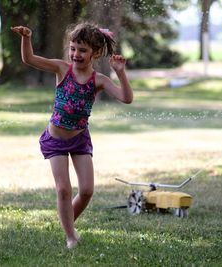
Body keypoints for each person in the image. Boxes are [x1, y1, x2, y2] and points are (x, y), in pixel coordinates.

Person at [11, 23, 133, 249]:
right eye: (73, 48)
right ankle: (70, 236)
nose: (76, 54)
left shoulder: (99, 80)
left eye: (82, 50)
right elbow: (30, 59)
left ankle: (67, 222)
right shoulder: (61, 69)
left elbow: (126, 98)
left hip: (79, 140)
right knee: (63, 189)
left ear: (95, 53)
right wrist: (27, 37)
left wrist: (121, 73)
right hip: (55, 139)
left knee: (87, 190)